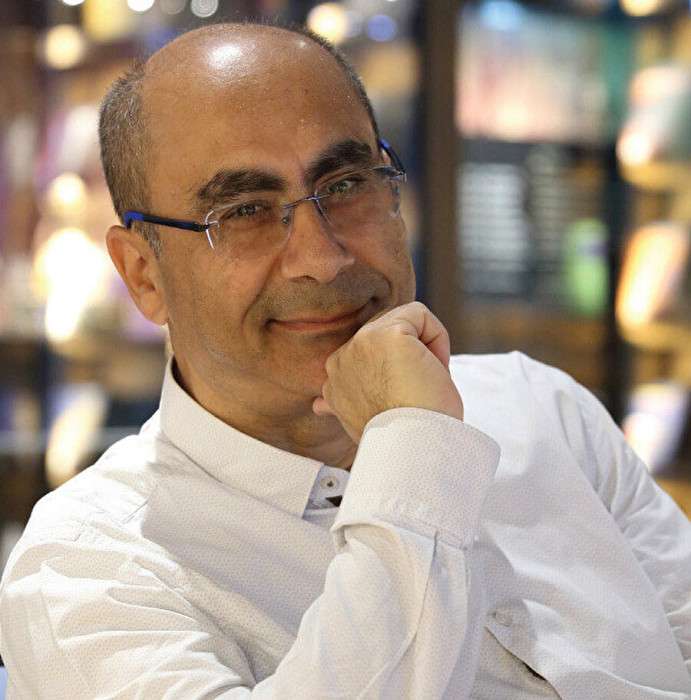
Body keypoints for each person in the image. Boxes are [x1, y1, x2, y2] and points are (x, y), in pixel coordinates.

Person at [0, 20, 690, 699]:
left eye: (345, 185)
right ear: (143, 274)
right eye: (243, 211)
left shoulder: (540, 406)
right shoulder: (89, 570)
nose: (322, 257)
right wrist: (414, 446)